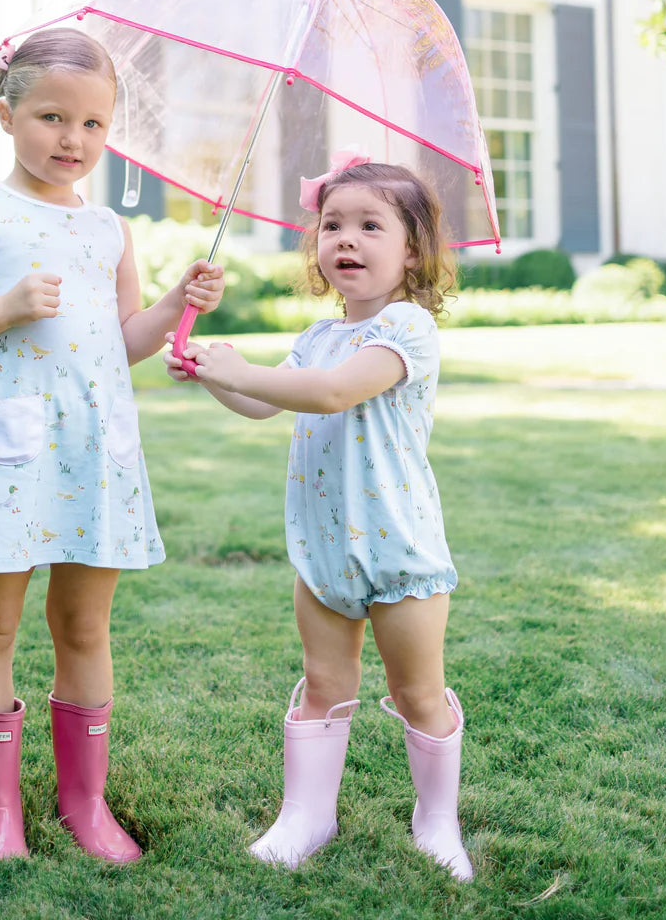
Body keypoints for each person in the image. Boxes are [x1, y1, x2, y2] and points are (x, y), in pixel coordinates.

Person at [0, 26, 224, 865]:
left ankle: (86, 804)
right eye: (51, 117)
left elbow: (125, 337)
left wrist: (177, 303)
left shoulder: (109, 231)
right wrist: (1, 309)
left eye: (91, 125)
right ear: (7, 115)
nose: (72, 140)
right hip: (7, 454)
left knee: (85, 626)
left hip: (92, 452)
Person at [165, 154, 472, 882]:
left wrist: (244, 369)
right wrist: (217, 375)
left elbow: (334, 394)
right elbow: (267, 401)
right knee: (323, 680)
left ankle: (437, 820)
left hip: (401, 549)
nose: (347, 239)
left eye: (371, 225)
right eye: (333, 224)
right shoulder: (316, 336)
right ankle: (307, 815)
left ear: (413, 250)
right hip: (324, 549)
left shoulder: (408, 327)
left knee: (415, 691)